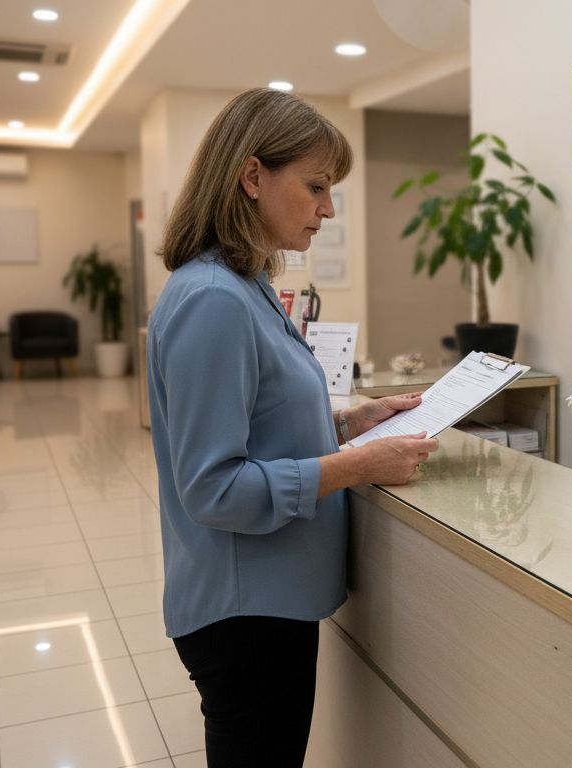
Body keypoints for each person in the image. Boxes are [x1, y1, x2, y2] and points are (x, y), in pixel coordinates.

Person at [147, 88, 439, 767]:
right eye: (315, 187)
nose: (328, 210)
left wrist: (348, 423)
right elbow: (215, 490)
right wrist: (362, 465)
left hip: (264, 603)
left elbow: (256, 420)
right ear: (252, 177)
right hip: (243, 615)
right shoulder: (215, 299)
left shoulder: (241, 285)